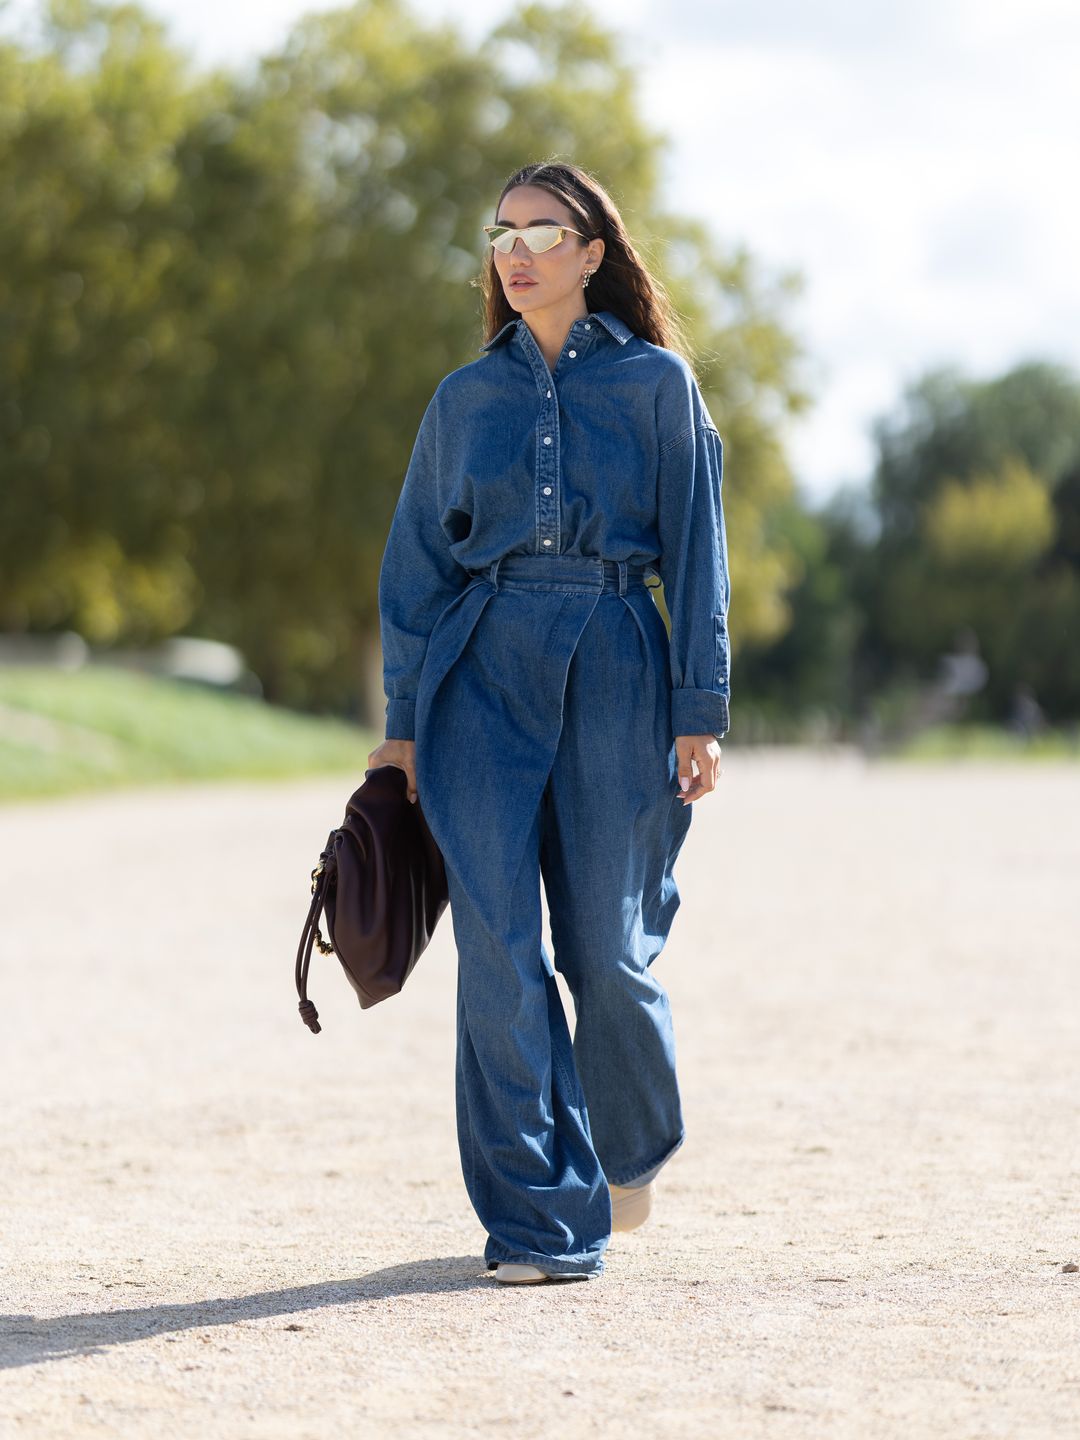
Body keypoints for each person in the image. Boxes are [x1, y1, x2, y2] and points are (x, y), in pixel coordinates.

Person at [369, 160, 732, 1286]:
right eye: (501, 232)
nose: (515, 250)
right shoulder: (460, 399)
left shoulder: (659, 386)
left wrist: (698, 709)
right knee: (498, 948)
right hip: (478, 674)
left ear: (592, 251)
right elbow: (417, 565)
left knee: (606, 955)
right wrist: (402, 725)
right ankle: (537, 1219)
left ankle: (628, 1150)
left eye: (542, 230)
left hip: (621, 664)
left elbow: (698, 557)